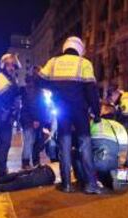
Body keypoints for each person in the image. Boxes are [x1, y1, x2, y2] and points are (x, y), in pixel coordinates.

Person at [37, 36, 104, 194]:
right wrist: (97, 112)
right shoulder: (84, 63)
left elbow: (39, 80)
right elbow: (91, 90)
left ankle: (66, 184)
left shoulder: (53, 62)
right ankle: (90, 184)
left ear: (65, 47)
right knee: (85, 146)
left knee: (64, 146)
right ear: (79, 48)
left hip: (63, 111)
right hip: (80, 111)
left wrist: (54, 90)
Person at [0, 53, 22, 190]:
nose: (12, 67)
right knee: (3, 144)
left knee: (4, 144)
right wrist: (18, 89)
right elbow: (7, 95)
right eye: (9, 64)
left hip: (5, 117)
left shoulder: (8, 78)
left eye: (13, 65)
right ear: (3, 65)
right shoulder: (0, 79)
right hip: (1, 117)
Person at [20, 75, 44, 169]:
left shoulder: (26, 90)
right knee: (30, 141)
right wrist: (36, 119)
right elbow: (35, 106)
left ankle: (29, 162)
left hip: (27, 120)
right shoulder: (34, 90)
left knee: (30, 141)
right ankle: (28, 162)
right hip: (31, 120)